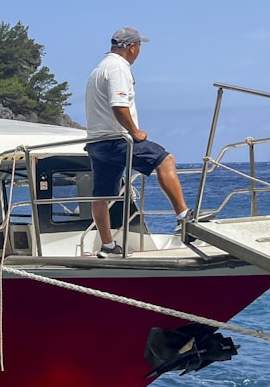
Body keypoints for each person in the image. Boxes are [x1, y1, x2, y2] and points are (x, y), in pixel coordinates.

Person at [84, 27, 209, 258]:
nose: (139, 50)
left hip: (96, 142)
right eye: (139, 46)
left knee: (101, 195)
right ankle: (184, 218)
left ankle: (108, 246)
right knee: (165, 160)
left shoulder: (98, 69)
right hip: (117, 139)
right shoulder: (118, 68)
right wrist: (135, 131)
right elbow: (118, 106)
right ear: (132, 47)